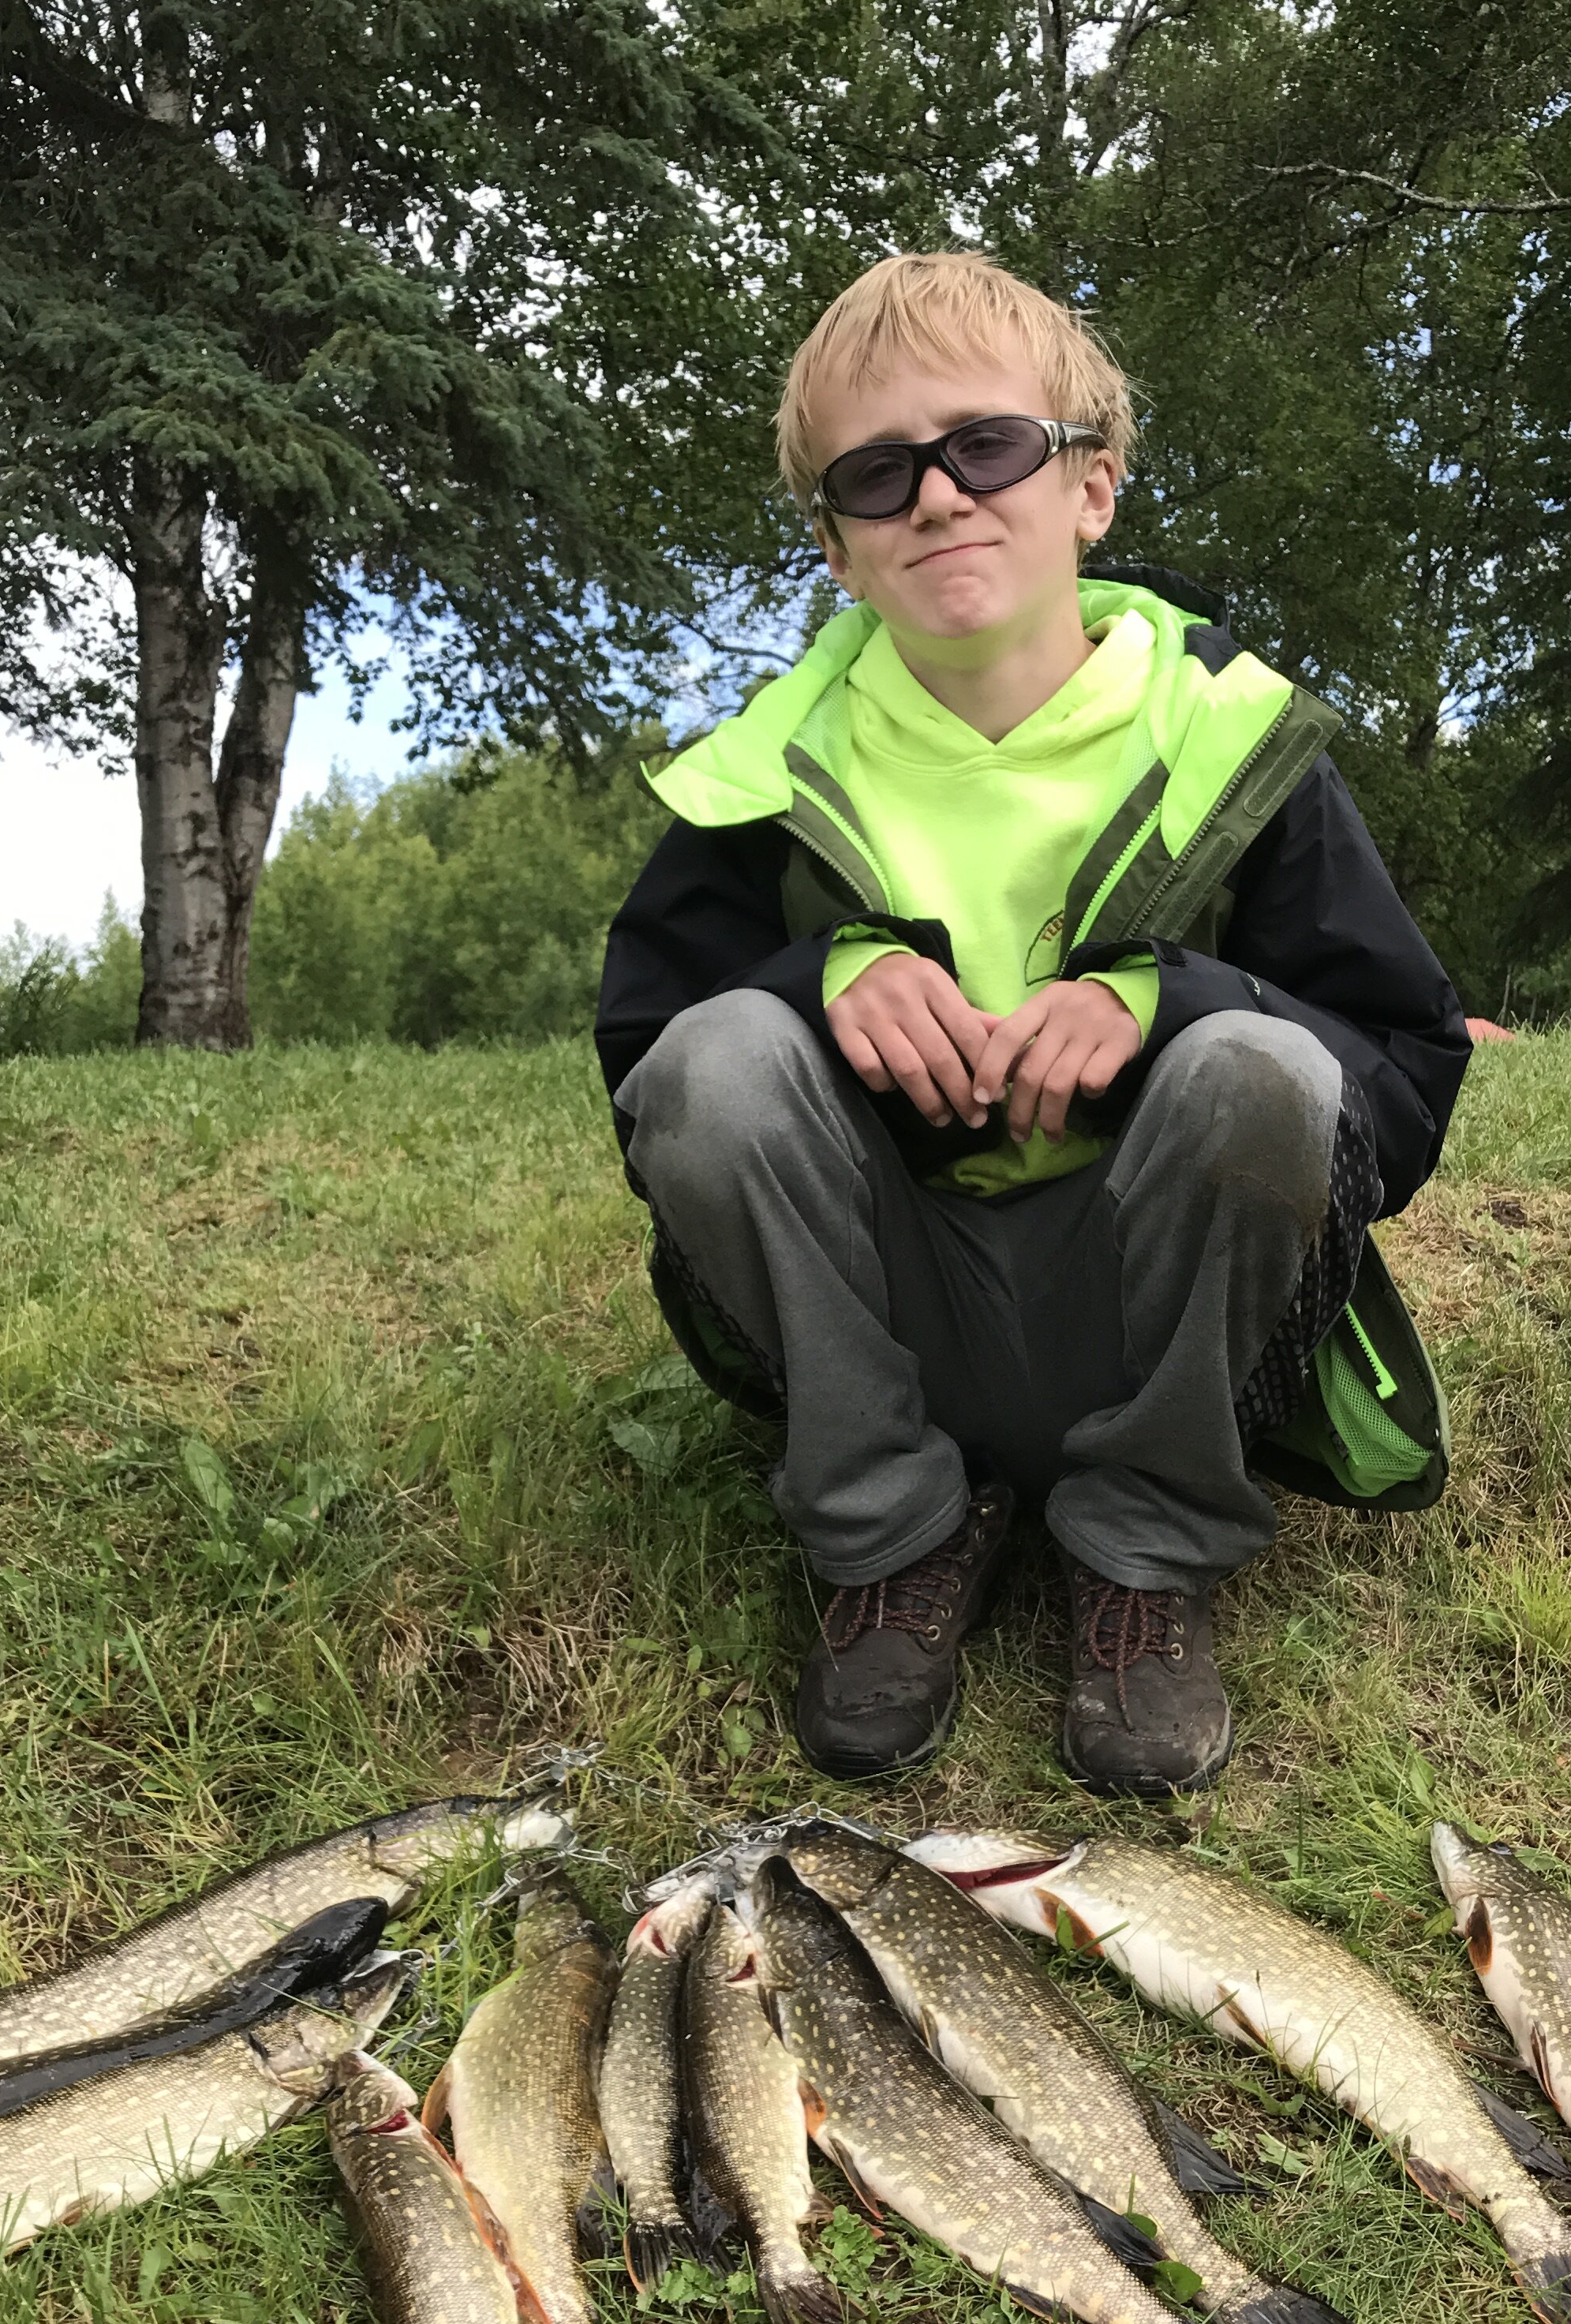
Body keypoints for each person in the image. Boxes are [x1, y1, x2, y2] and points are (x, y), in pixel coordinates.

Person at [596, 252, 1470, 1794]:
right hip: (886, 1322)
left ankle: (1144, 1546)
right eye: (880, 474)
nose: (937, 496)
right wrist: (818, 981)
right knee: (718, 1060)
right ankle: (895, 1530)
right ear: (838, 548)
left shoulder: (1235, 740)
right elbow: (646, 1082)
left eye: (986, 445)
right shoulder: (758, 776)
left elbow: (1398, 1082)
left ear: (1093, 490)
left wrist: (1168, 1000)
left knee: (1264, 1069)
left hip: (1156, 1311)